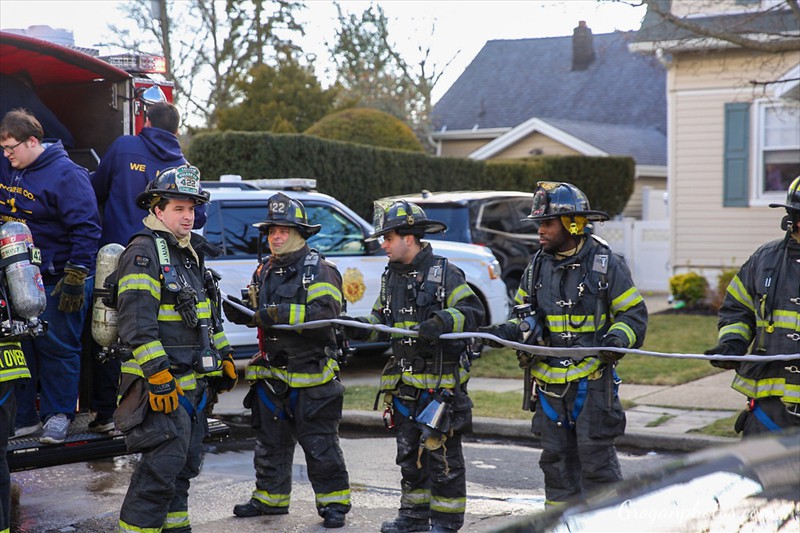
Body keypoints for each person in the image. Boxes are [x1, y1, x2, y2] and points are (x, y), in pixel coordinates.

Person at [480, 181, 647, 507]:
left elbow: (633, 316)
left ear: (572, 223)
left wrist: (617, 339)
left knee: (596, 462)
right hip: (549, 387)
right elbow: (524, 317)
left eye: (546, 223)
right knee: (555, 463)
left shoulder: (606, 265)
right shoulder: (536, 266)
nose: (539, 230)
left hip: (592, 384)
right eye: (539, 223)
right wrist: (504, 332)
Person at [340, 200, 485, 533]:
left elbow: (472, 312)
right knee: (409, 457)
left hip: (441, 390)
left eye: (388, 237)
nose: (383, 244)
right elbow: (381, 320)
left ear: (409, 237)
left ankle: (446, 523)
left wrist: (443, 320)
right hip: (405, 389)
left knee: (443, 460)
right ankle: (414, 517)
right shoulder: (391, 276)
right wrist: (355, 326)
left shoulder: (446, 272)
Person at [114, 164, 237, 533]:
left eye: (192, 208)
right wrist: (159, 376)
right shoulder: (143, 253)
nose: (189, 216)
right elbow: (136, 325)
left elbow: (206, 319)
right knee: (159, 472)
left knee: (183, 470)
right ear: (157, 210)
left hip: (192, 386)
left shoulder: (188, 254)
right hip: (161, 388)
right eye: (179, 208)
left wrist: (225, 356)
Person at [222, 192, 351, 529]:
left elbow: (325, 314)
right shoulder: (264, 269)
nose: (275, 237)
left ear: (301, 233)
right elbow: (258, 312)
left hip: (313, 377)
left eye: (283, 231)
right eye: (271, 231)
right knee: (270, 444)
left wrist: (275, 313)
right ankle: (270, 500)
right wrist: (244, 313)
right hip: (272, 378)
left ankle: (334, 505)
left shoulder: (322, 270)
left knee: (321, 446)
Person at [89, 101, 201, 434]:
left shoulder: (124, 147)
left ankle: (107, 412)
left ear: (145, 122)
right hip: (166, 260)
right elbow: (198, 219)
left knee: (108, 336)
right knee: (152, 331)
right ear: (177, 131)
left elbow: (95, 189)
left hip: (115, 259)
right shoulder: (184, 167)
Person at [0, 109, 101, 445]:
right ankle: (25, 418)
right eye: (3, 149)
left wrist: (76, 275)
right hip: (16, 278)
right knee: (21, 347)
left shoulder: (67, 175)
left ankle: (58, 416)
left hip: (59, 278)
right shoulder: (9, 167)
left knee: (58, 348)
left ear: (33, 141)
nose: (6, 154)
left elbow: (87, 228)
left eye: (11, 148)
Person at [705, 176, 800, 435]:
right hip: (770, 406)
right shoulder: (764, 260)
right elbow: (737, 308)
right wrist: (732, 344)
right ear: (791, 219)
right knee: (760, 475)